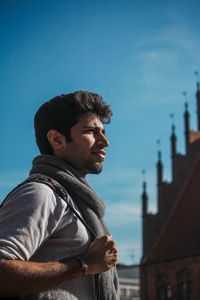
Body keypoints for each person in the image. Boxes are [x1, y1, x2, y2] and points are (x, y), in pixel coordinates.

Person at [0, 91, 119, 300]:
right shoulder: (40, 193)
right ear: (57, 139)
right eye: (91, 131)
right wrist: (83, 264)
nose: (104, 142)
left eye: (103, 131)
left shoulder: (77, 202)